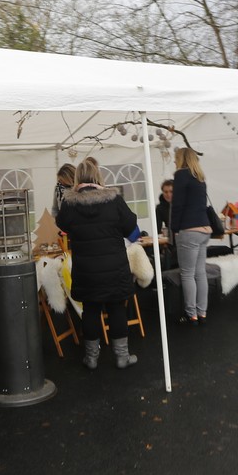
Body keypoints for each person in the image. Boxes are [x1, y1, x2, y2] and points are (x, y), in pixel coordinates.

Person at [55, 156, 140, 370]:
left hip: (86, 269)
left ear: (77, 178)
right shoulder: (114, 199)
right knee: (116, 309)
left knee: (91, 311)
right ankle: (122, 357)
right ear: (97, 176)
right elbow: (130, 226)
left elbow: (62, 224)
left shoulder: (70, 203)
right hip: (114, 267)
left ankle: (91, 358)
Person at [169, 146, 213, 325]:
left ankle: (191, 314)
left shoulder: (181, 175)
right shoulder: (200, 177)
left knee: (187, 274)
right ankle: (202, 312)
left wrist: (174, 229)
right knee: (200, 273)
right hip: (204, 229)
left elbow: (177, 205)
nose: (174, 161)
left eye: (176, 158)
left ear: (181, 159)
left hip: (188, 230)